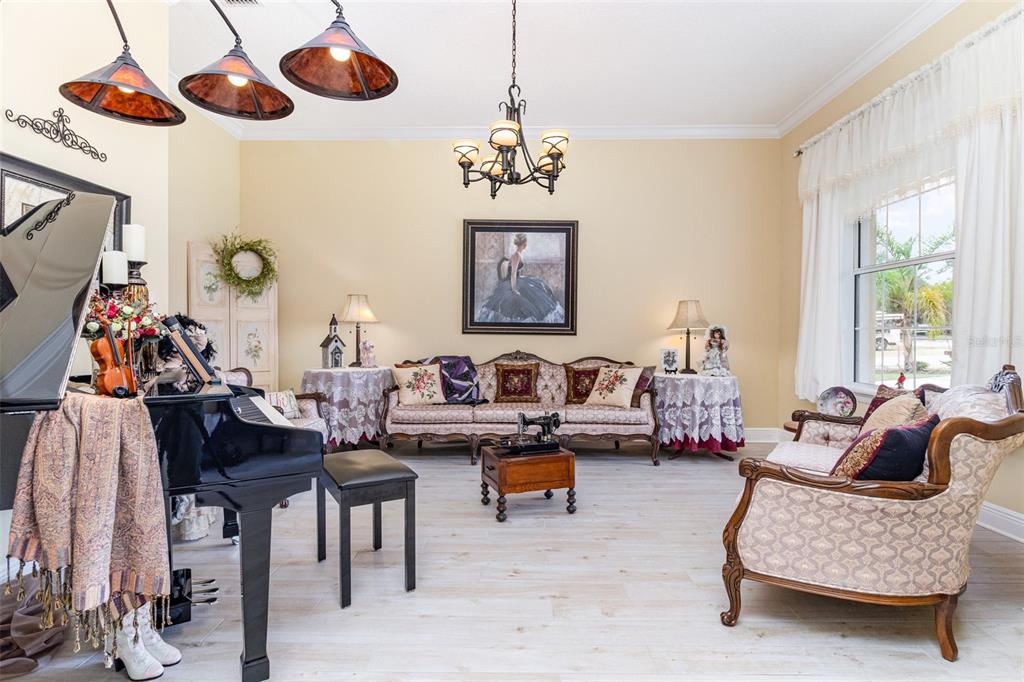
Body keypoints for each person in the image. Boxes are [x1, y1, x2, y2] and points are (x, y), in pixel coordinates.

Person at [477, 233, 564, 324]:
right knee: (523, 300)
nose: (526, 245)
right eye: (525, 243)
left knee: (538, 288)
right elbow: (513, 273)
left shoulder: (518, 254)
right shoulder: (516, 255)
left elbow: (517, 272)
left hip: (519, 279)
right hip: (513, 281)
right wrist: (514, 289)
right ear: (524, 244)